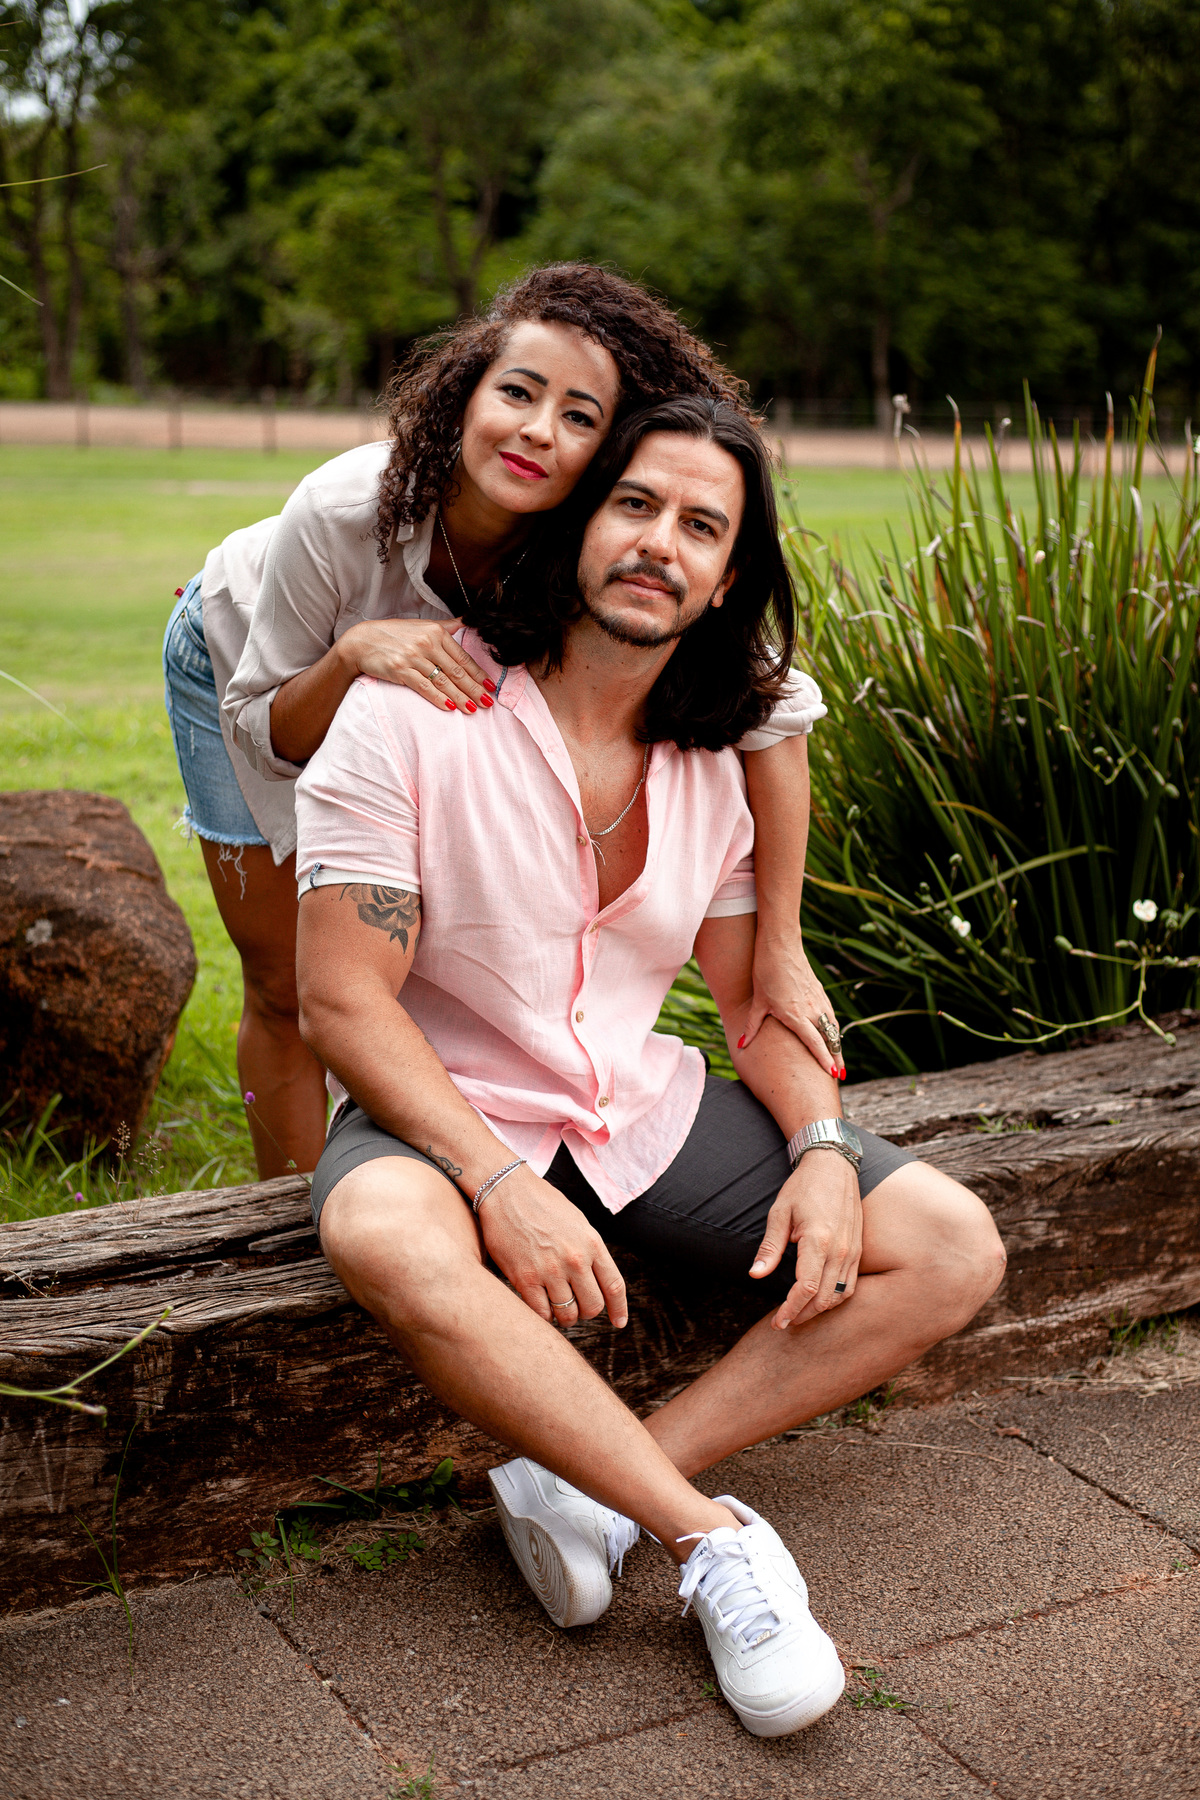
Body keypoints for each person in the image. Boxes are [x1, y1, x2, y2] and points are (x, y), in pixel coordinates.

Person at [291, 396, 1007, 1738]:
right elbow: (342, 1002)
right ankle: (709, 1542)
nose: (658, 544)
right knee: (383, 1235)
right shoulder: (410, 717)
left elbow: (750, 1003)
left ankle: (591, 1488)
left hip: (635, 1106)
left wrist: (823, 1150)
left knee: (953, 1244)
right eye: (634, 504)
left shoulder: (714, 763)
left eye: (700, 526)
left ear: (726, 578)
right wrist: (497, 1182)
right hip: (438, 1112)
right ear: (579, 524)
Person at [162, 264, 838, 1181]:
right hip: (243, 656)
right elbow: (264, 726)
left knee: (388, 961)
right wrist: (354, 651)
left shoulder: (597, 530)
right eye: (517, 392)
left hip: (395, 711)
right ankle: (284, 1216)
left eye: (579, 416)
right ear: (466, 390)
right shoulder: (343, 508)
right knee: (286, 977)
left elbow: (775, 712)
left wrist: (783, 946)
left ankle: (402, 1158)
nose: (537, 431)